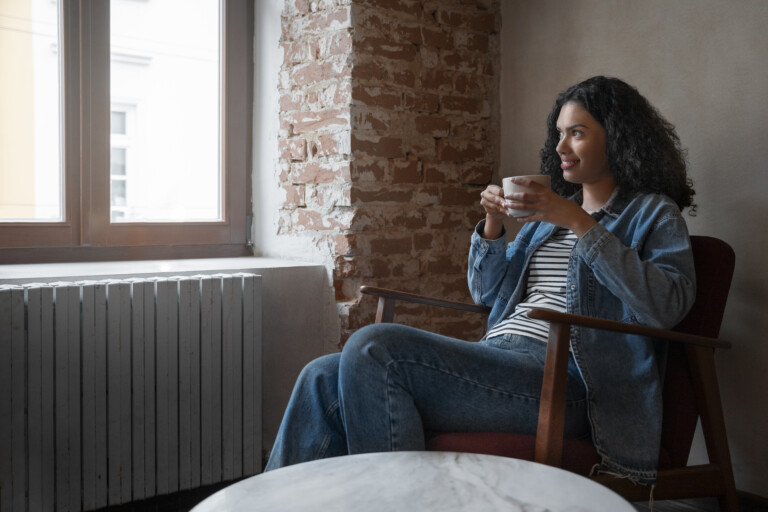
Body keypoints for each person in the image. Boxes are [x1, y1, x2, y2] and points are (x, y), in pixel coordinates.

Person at [264, 76, 697, 486]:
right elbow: (487, 294)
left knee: (374, 347)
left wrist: (580, 222)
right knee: (321, 375)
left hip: (575, 383)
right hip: (499, 358)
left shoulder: (653, 214)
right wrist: (492, 223)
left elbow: (667, 305)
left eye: (577, 133)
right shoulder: (545, 221)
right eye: (560, 133)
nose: (561, 145)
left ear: (617, 137)